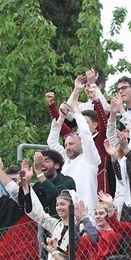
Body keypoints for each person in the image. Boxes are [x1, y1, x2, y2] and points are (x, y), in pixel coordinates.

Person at [47, 77, 102, 210]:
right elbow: (52, 141)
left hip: (88, 214)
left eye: (71, 144)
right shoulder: (66, 158)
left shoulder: (90, 158)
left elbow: (86, 134)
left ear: (81, 143)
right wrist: (61, 118)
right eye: (66, 145)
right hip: (68, 215)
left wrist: (76, 111)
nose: (68, 148)